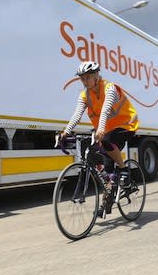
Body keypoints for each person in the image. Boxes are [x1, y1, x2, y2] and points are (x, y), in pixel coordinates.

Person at [59, 61, 139, 193]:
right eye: (82, 79)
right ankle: (110, 193)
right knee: (106, 166)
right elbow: (77, 114)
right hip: (107, 130)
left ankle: (124, 169)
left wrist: (100, 130)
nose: (85, 81)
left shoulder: (110, 88)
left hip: (127, 124)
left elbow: (105, 110)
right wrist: (66, 132)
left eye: (88, 77)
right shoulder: (84, 95)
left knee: (107, 140)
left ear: (96, 75)